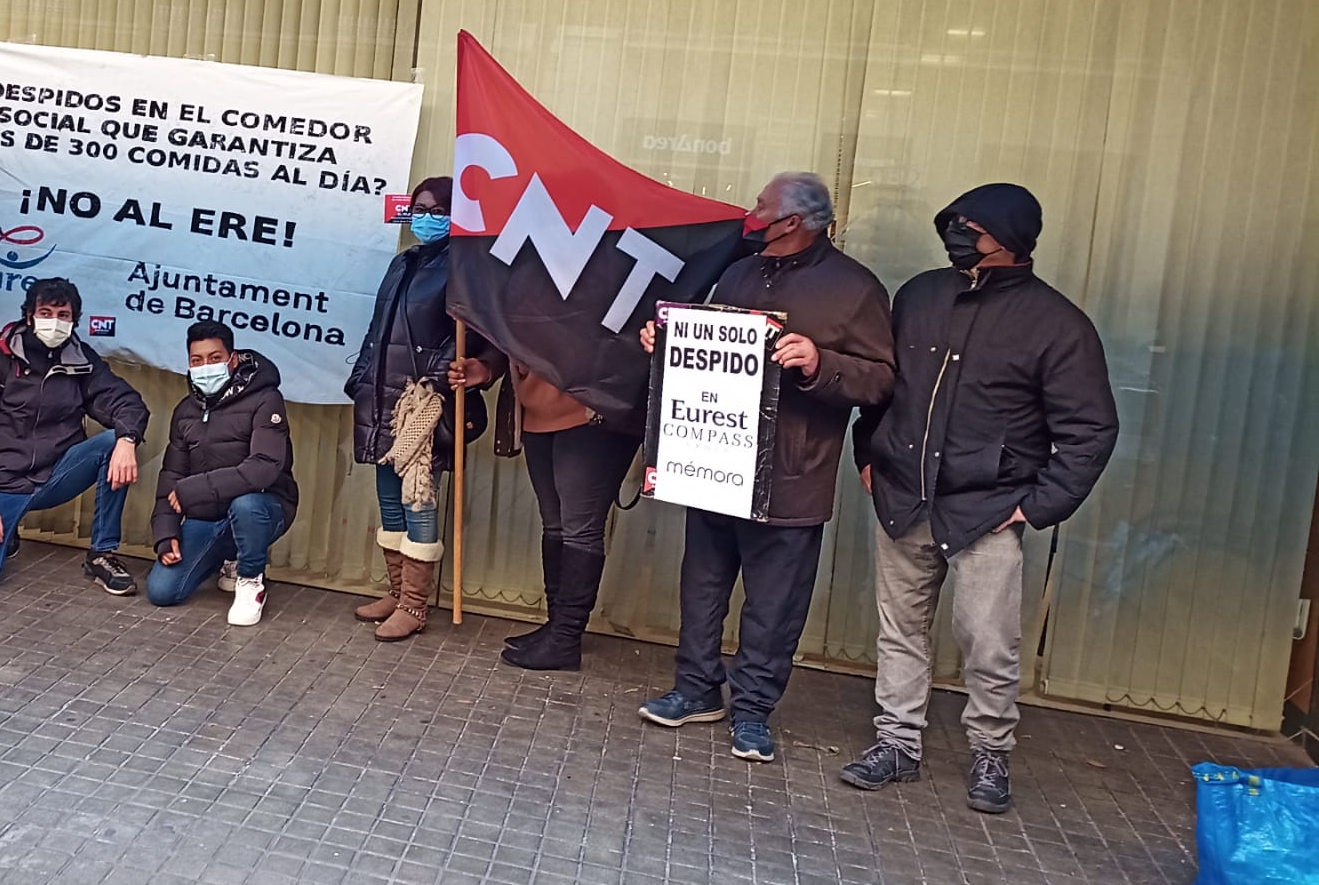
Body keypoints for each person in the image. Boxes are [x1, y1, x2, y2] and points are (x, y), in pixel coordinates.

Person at [839, 183, 1118, 814]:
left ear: (1011, 238)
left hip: (988, 512)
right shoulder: (920, 295)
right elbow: (883, 387)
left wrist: (1036, 506)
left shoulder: (1057, 325)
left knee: (989, 644)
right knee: (900, 632)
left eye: (972, 226)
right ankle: (897, 744)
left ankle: (991, 752)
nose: (957, 233)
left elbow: (1091, 429)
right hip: (904, 499)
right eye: (954, 222)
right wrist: (869, 454)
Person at [634, 173, 894, 763]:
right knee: (702, 587)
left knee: (774, 604)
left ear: (794, 221)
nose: (751, 213)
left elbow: (882, 380)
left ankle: (752, 710)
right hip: (715, 463)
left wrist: (819, 362)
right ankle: (696, 689)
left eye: (761, 206)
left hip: (792, 474)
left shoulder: (855, 288)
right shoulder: (738, 272)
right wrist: (666, 342)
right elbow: (707, 348)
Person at [344, 177, 486, 641]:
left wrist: (436, 380)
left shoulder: (465, 265)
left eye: (438, 210)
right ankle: (397, 591)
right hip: (382, 396)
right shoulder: (403, 261)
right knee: (389, 495)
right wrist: (361, 378)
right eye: (420, 208)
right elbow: (377, 329)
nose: (426, 217)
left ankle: (414, 605)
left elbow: (473, 334)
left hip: (422, 403)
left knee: (418, 497)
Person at [0, 279, 152, 595]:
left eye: (63, 315)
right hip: (2, 485)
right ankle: (1, 526)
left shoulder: (81, 359)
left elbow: (126, 402)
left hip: (55, 476)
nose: (54, 322)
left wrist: (127, 440)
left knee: (114, 442)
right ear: (29, 316)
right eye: (45, 313)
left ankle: (102, 555)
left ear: (74, 320)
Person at [449, 348, 641, 671]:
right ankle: (557, 628)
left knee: (580, 529)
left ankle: (565, 639)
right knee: (555, 525)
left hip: (593, 409)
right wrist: (489, 366)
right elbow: (515, 331)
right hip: (536, 406)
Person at [146, 322, 298, 625]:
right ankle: (226, 556)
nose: (206, 367)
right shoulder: (185, 411)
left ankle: (250, 579)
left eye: (215, 358)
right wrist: (165, 534)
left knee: (246, 505)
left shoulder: (266, 399)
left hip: (263, 508)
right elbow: (171, 475)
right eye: (197, 360)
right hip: (207, 517)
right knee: (162, 591)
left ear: (233, 359)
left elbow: (264, 467)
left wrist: (195, 489)